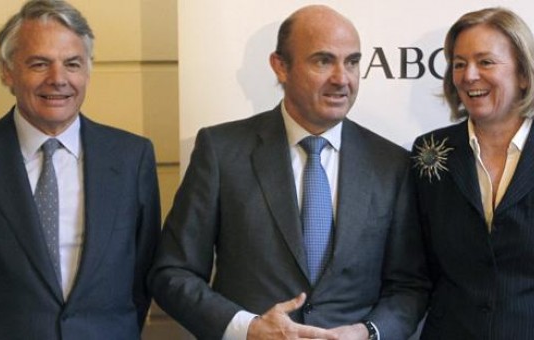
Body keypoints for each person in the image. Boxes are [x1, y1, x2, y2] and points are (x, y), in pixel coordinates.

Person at [148, 5, 429, 340]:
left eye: (352, 61)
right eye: (323, 61)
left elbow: (409, 285)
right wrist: (248, 328)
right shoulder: (221, 151)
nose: (342, 78)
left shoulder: (392, 163)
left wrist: (367, 332)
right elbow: (172, 273)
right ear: (280, 66)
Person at [0, 1, 161, 339]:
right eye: (39, 63)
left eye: (72, 63)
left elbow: (142, 275)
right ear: (7, 71)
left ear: (88, 70)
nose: (58, 79)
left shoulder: (133, 157)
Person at [410, 7, 534, 339]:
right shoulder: (430, 150)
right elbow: (420, 267)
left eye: (485, 62)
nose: (469, 75)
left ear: (524, 74)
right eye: (459, 64)